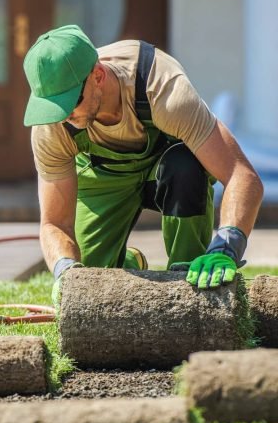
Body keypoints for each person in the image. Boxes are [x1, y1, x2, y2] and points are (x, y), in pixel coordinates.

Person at [23, 25, 264, 299]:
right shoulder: (52, 126)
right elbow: (54, 223)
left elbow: (241, 175)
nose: (63, 115)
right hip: (103, 176)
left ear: (98, 76)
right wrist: (65, 270)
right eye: (54, 107)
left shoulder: (162, 89)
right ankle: (127, 263)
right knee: (89, 284)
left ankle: (187, 276)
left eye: (71, 102)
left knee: (185, 165)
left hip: (165, 169)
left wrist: (227, 246)